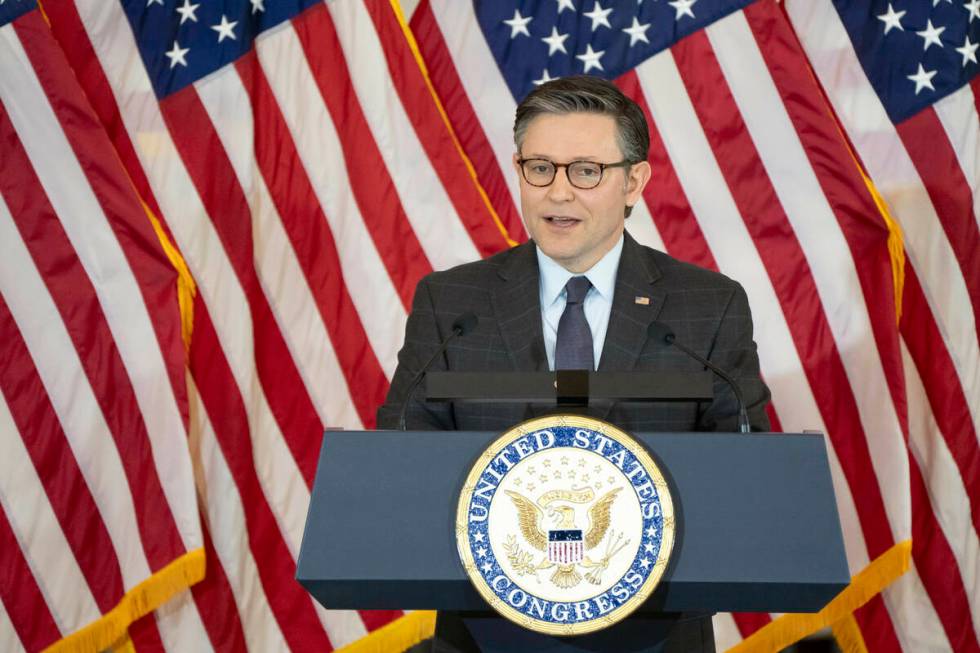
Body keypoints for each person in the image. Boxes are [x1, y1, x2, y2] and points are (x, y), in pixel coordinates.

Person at [377, 75, 770, 435]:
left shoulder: (709, 307)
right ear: (518, 169)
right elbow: (400, 461)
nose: (559, 192)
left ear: (633, 183)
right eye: (541, 167)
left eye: (585, 171)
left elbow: (744, 474)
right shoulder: (450, 305)